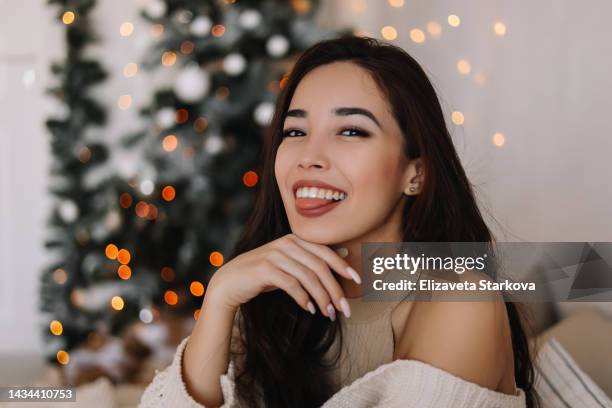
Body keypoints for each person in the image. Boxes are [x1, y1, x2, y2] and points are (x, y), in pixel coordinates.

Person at [139, 36, 540, 408]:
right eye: (295, 130)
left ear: (415, 174)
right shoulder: (273, 289)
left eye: (351, 130)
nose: (308, 156)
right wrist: (221, 296)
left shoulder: (458, 298)